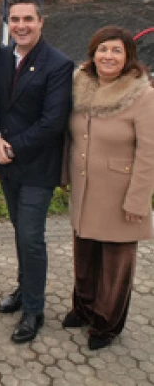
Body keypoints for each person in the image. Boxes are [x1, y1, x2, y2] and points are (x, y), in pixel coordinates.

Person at [0, 0, 73, 344]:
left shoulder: (58, 64)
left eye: (28, 19)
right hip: (7, 164)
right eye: (15, 19)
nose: (21, 25)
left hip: (37, 167)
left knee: (32, 237)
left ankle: (34, 311)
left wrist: (12, 147)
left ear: (41, 22)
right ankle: (24, 290)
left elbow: (53, 121)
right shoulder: (3, 57)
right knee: (19, 230)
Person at [64, 26, 154, 350]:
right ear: (93, 54)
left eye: (116, 50)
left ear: (128, 56)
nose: (108, 56)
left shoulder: (142, 94)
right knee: (85, 254)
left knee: (116, 264)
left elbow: (149, 151)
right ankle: (84, 307)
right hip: (86, 187)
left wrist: (138, 200)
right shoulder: (80, 86)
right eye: (102, 49)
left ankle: (106, 323)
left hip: (121, 192)